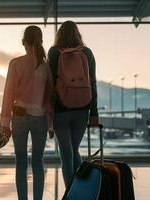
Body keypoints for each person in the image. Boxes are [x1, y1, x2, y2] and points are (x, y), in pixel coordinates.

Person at [1, 25, 55, 200]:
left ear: (24, 41)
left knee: (21, 163)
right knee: (38, 162)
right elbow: (49, 99)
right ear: (40, 41)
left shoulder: (16, 64)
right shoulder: (46, 67)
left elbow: (8, 95)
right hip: (40, 119)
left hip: (20, 118)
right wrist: (51, 125)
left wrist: (5, 123)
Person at [47, 20, 99, 187]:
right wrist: (94, 112)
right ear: (78, 33)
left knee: (66, 152)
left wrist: (49, 112)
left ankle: (71, 192)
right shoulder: (87, 52)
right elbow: (93, 83)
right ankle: (82, 189)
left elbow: (50, 84)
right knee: (74, 149)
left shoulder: (54, 52)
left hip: (61, 109)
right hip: (82, 108)